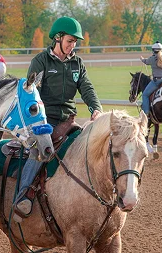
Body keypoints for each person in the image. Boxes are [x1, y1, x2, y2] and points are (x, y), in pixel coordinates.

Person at [13, 16, 103, 222]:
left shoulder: (77, 63)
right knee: (39, 153)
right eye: (70, 41)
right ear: (58, 38)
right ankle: (23, 197)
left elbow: (87, 88)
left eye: (75, 42)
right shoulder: (41, 61)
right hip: (45, 121)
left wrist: (95, 109)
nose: (73, 46)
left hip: (69, 120)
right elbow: (30, 94)